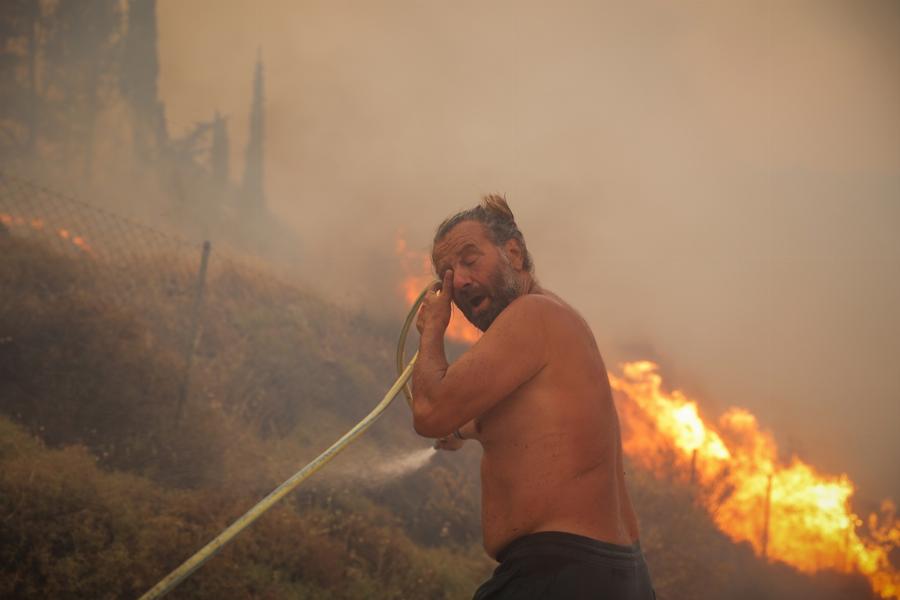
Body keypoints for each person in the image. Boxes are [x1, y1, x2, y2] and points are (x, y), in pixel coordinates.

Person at [412, 196, 656, 599]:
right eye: (448, 275)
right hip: (612, 575)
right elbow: (526, 419)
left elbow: (429, 411)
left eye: (470, 261)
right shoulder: (555, 319)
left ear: (514, 252)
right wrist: (467, 428)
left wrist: (432, 331)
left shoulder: (532, 315)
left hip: (563, 573)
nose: (461, 281)